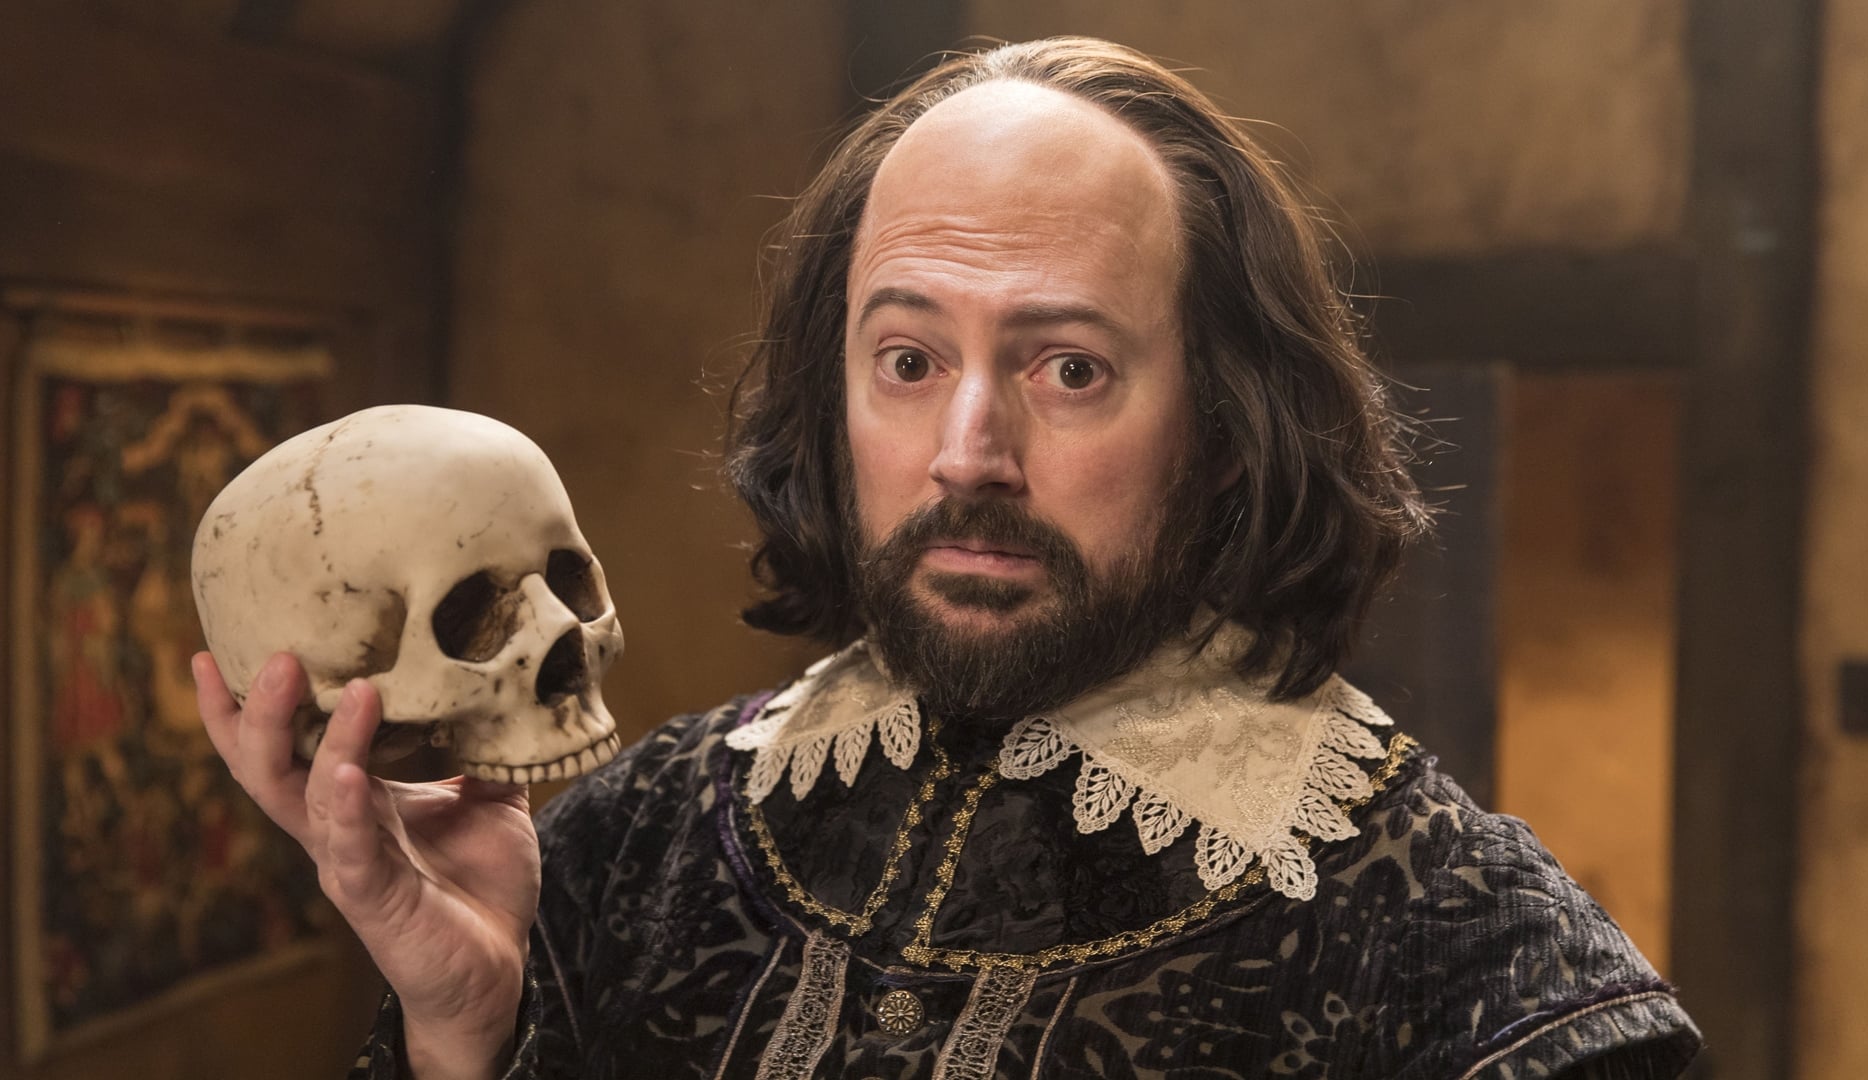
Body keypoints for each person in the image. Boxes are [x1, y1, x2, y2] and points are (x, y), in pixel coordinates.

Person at [195, 37, 1701, 1079]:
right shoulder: (618, 845)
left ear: (1230, 429)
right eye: (908, 360)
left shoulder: (1461, 949)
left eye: (1070, 370)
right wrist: (462, 1033)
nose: (968, 452)